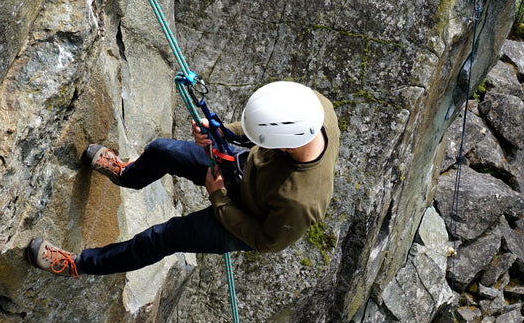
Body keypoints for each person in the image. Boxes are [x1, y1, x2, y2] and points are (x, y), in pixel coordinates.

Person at [26, 81, 339, 276]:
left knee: (162, 237)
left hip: (243, 219)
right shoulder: (313, 108)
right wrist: (222, 132)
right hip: (242, 170)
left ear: (286, 144)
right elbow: (262, 127)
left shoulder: (300, 201)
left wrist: (218, 198)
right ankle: (127, 175)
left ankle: (78, 265)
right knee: (162, 150)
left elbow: (265, 242)